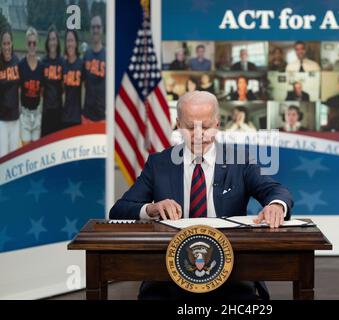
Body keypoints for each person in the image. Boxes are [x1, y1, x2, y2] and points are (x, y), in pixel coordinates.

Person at [109, 91, 293, 300]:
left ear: (217, 123)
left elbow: (276, 191)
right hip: (170, 272)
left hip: (231, 269)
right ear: (178, 124)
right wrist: (151, 208)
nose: (198, 134)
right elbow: (119, 209)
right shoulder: (159, 163)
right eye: (190, 127)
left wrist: (276, 205)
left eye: (205, 127)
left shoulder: (240, 161)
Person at [18, 27, 44, 145]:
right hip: (25, 114)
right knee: (25, 150)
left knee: (35, 151)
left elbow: (43, 91)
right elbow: (18, 90)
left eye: (34, 43)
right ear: (26, 44)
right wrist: (20, 111)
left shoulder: (41, 66)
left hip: (37, 113)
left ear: (37, 44)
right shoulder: (21, 65)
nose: (32, 46)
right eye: (30, 43)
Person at [0, 30, 20, 157]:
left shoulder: (17, 61)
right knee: (2, 156)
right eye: (4, 44)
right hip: (1, 119)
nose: (7, 47)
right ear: (1, 45)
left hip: (15, 119)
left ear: (12, 44)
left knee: (13, 157)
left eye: (8, 43)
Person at [41, 26, 64, 137]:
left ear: (57, 41)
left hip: (58, 111)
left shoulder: (62, 62)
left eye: (54, 39)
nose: (52, 42)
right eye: (50, 39)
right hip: (46, 111)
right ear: (47, 42)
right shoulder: (43, 62)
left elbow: (64, 86)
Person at [82, 15, 106, 123]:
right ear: (90, 30)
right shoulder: (86, 55)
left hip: (103, 117)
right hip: (87, 116)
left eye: (98, 27)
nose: (96, 30)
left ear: (102, 29)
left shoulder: (108, 56)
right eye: (93, 27)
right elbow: (82, 84)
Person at [61, 30, 83, 129]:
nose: (70, 43)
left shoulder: (81, 64)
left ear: (76, 43)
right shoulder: (63, 64)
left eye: (72, 40)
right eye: (68, 41)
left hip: (78, 118)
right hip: (64, 117)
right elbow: (61, 90)